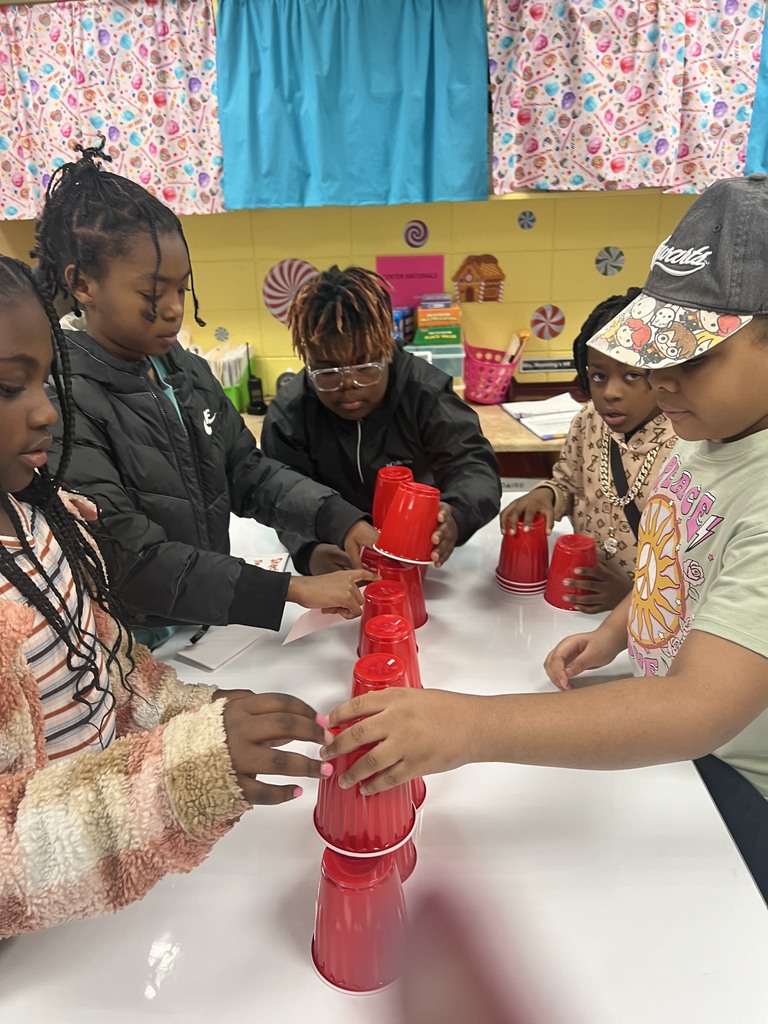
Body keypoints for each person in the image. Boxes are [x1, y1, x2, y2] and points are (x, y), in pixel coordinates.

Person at [322, 174, 768, 901]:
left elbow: (698, 711)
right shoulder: (703, 431)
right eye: (657, 352)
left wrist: (469, 727)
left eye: (693, 357)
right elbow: (678, 563)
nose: (662, 381)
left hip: (734, 780)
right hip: (669, 745)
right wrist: (621, 631)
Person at [0, 255, 332, 936]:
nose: (44, 412)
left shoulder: (43, 518)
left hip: (104, 886)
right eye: (10, 387)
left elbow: (110, 669)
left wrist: (199, 713)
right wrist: (180, 773)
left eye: (44, 382)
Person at [32, 142, 377, 649]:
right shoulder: (63, 403)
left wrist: (339, 519)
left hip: (205, 614)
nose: (173, 309)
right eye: (153, 294)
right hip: (130, 640)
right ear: (82, 283)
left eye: (181, 290)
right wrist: (291, 589)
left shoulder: (185, 371)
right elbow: (130, 558)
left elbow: (247, 472)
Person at [260, 265, 501, 574]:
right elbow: (283, 493)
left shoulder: (424, 392)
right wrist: (309, 550)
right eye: (328, 371)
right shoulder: (289, 415)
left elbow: (473, 466)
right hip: (336, 548)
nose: (349, 384)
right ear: (308, 362)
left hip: (419, 554)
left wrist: (455, 515)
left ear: (388, 349)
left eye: (364, 365)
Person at [499, 289, 677, 612]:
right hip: (579, 595)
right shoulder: (588, 421)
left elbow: (694, 565)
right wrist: (547, 495)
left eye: (632, 375)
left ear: (662, 372)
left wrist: (631, 596)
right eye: (598, 375)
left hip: (649, 619)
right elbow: (568, 483)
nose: (610, 392)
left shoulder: (685, 444)